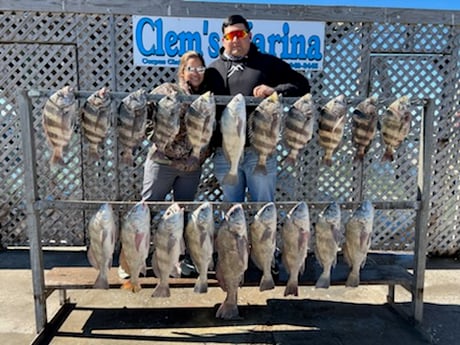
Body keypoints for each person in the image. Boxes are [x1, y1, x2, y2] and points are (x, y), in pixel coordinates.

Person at [119, 51, 207, 279]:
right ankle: (132, 259)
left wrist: (198, 158)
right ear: (182, 70)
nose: (196, 73)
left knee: (184, 213)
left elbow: (210, 134)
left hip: (190, 167)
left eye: (200, 69)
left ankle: (182, 259)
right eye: (191, 68)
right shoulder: (165, 91)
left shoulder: (206, 98)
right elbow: (143, 118)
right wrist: (158, 141)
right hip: (162, 162)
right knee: (146, 209)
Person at [205, 14, 311, 202]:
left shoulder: (267, 64)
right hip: (225, 152)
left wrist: (275, 90)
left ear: (250, 36)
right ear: (223, 40)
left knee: (264, 208)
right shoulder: (213, 70)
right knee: (231, 210)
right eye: (230, 36)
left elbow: (302, 85)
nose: (235, 40)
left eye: (240, 34)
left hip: (260, 150)